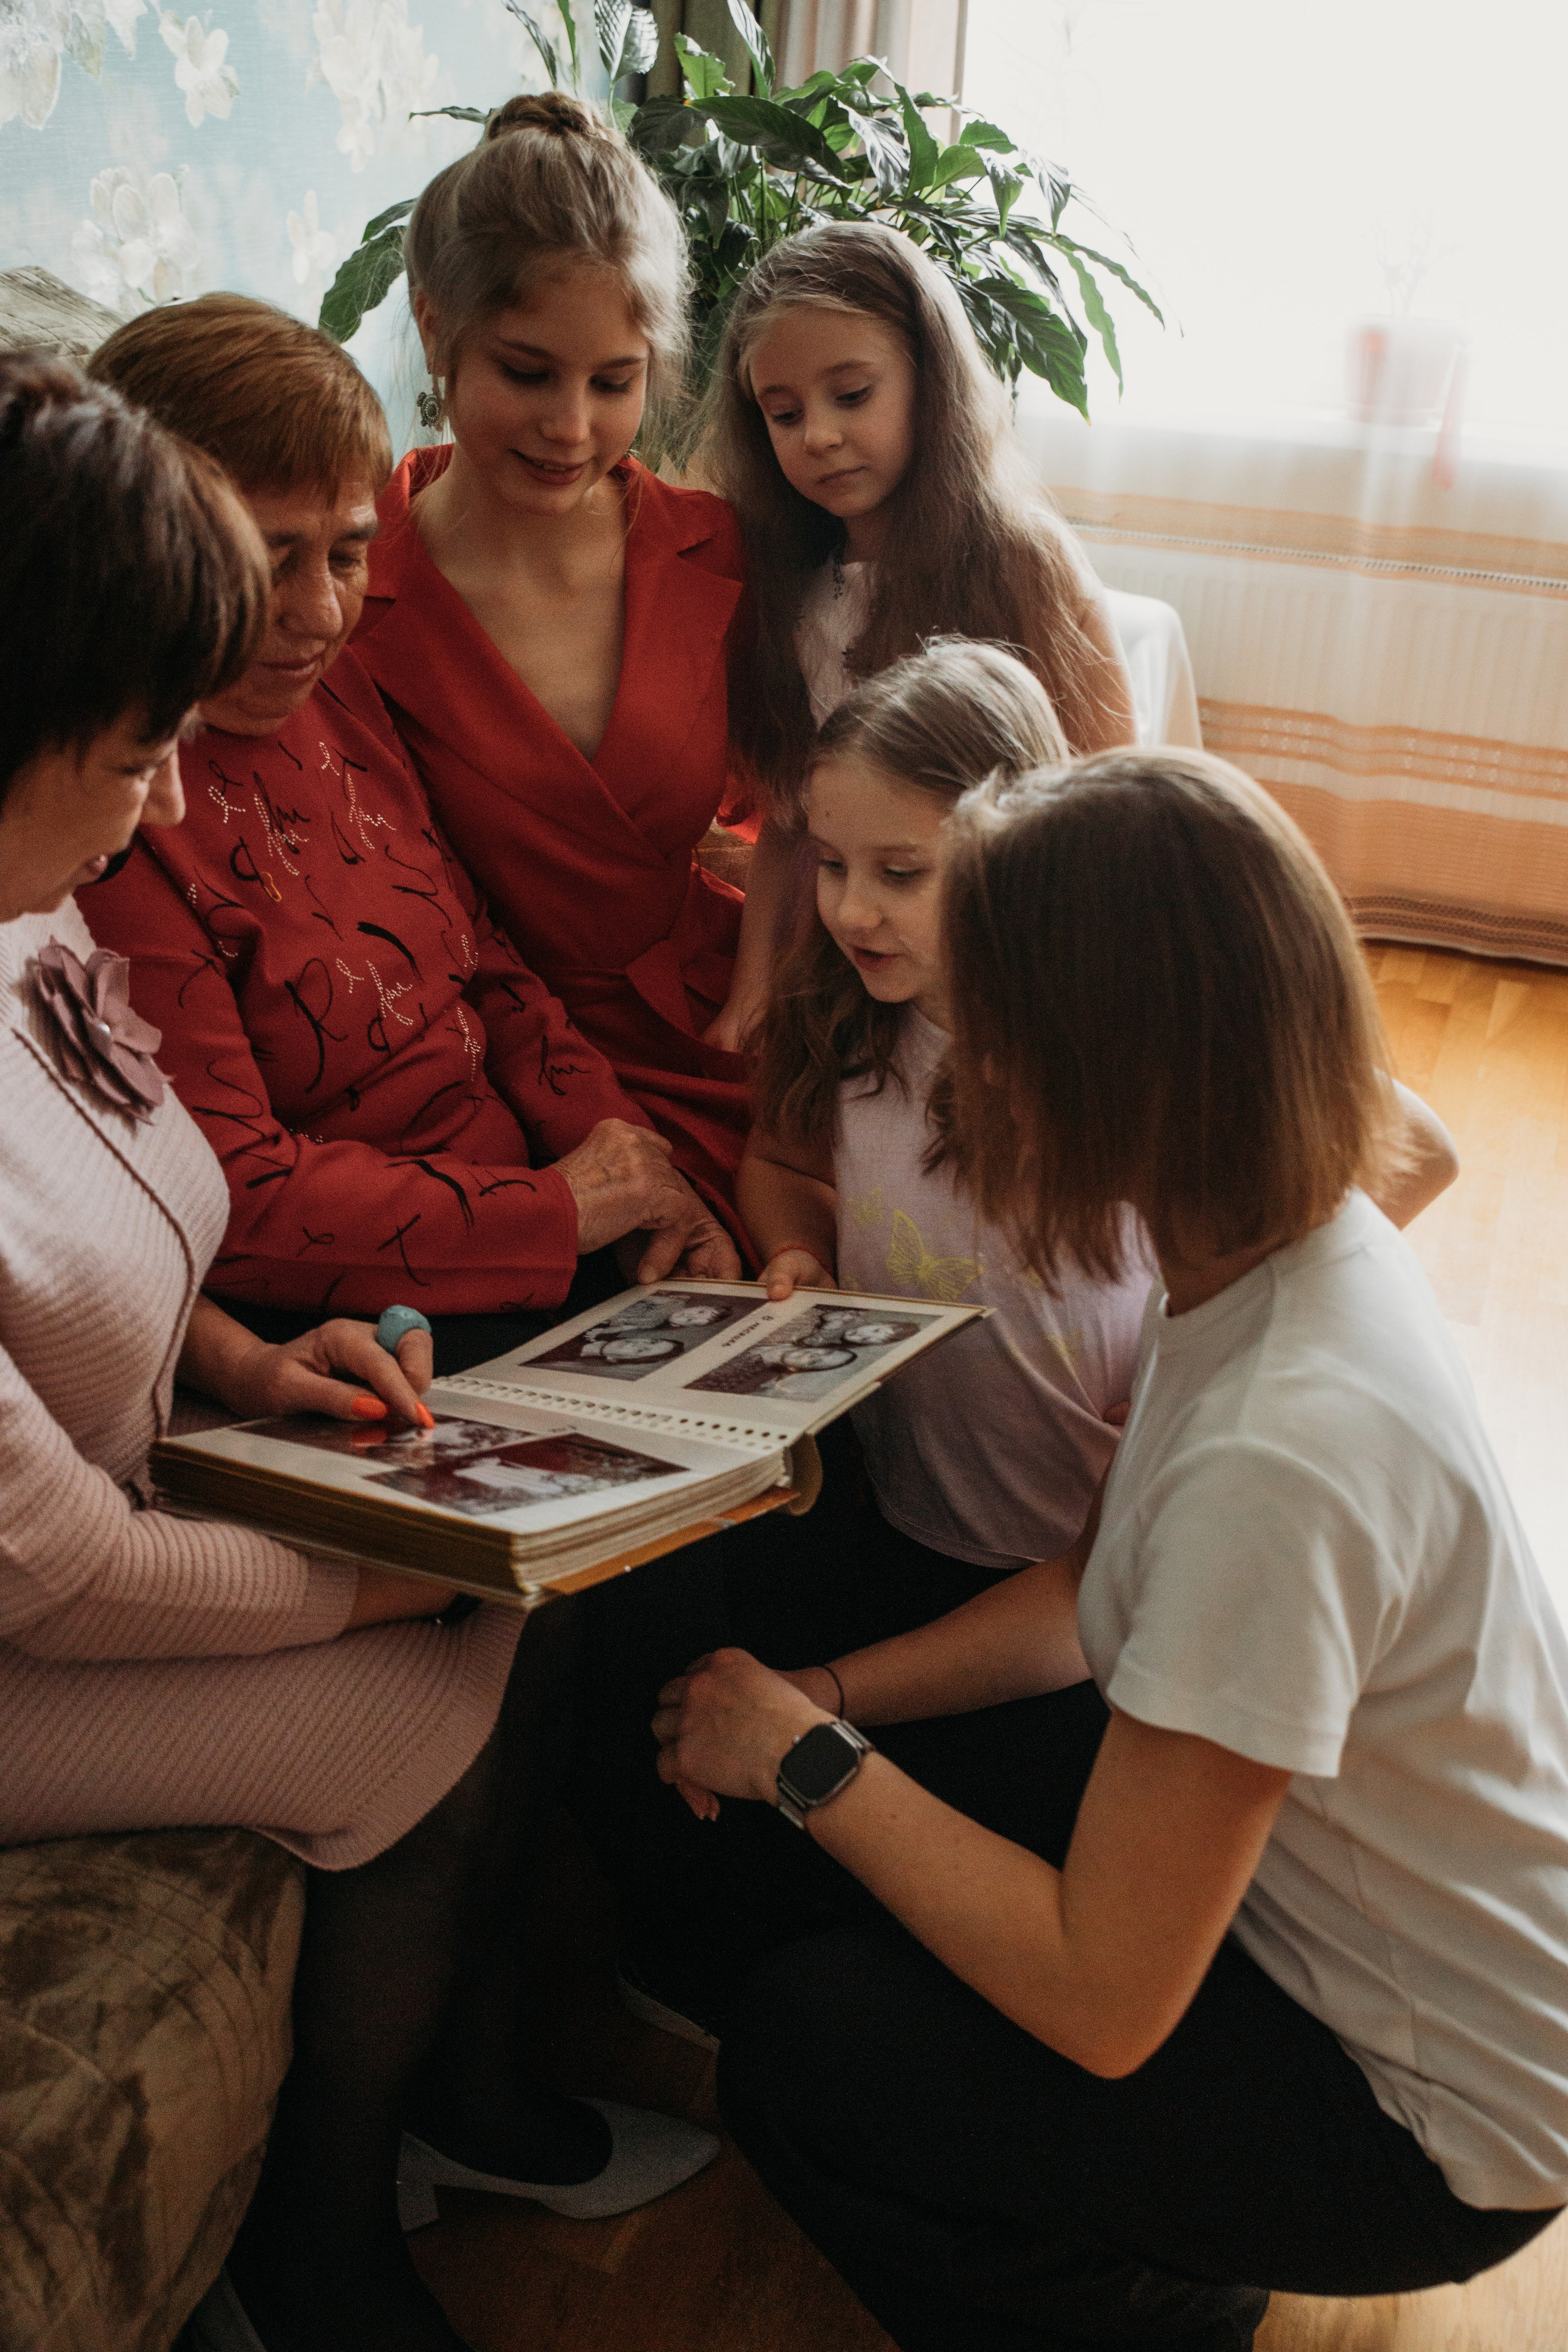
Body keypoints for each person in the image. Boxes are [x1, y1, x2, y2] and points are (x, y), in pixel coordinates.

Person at [655, 748, 1568, 2351]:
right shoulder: (1270, 1233)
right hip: (1375, 1945)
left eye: (991, 1038)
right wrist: (827, 1693)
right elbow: (1088, 1598)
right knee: (843, 1874)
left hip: (1431, 2130)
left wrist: (806, 1761)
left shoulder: (1280, 1451)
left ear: (1108, 1067)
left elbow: (1101, 1993)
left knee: (803, 2051)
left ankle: (1152, 2311)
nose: (960, 1078)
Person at [0, 353, 714, 2352]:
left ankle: (402, 2142)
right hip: (28, 1603)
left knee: (510, 1599)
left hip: (109, 1478)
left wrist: (242, 1364)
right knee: (436, 1689)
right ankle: (316, 2248)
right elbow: (56, 1575)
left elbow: (138, 1208)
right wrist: (386, 1572)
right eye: (134, 744)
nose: (162, 802)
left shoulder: (24, 909)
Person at [590, 640, 1457, 2046]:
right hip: (929, 1504)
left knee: (917, 1873)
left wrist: (1202, 1356)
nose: (859, 911)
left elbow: (1396, 1145)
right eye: (830, 865)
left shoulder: (1128, 1066)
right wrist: (798, 1248)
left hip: (1071, 1574)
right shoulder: (855, 1016)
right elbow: (786, 1157)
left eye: (906, 872)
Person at [85, 296, 736, 1376]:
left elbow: (486, 962)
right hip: (377, 1311)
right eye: (265, 560)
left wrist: (635, 1171)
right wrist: (556, 1211)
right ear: (140, 547)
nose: (317, 613)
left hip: (545, 1221)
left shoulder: (335, 692)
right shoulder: (109, 805)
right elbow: (230, 1194)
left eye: (345, 555)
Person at [352, 92, 755, 1243]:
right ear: (438, 333)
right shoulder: (350, 592)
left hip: (727, 1039)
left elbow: (812, 817)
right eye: (529, 374)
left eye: (615, 382)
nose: (573, 427)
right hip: (484, 1082)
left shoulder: (715, 552)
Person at [699, 219, 1138, 1049]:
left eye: (852, 395)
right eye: (782, 414)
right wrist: (749, 999)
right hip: (851, 963)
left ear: (930, 380)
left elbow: (1107, 799)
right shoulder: (791, 584)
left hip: (1010, 965)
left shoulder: (1023, 560)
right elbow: (792, 824)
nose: (818, 435)